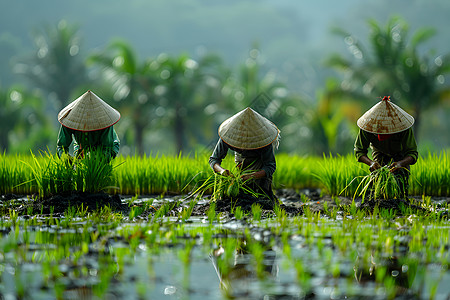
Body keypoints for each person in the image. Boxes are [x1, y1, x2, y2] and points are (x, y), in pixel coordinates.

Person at [209, 107, 280, 200]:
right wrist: (222, 171)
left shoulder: (263, 142)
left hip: (259, 171)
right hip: (241, 166)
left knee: (261, 199)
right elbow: (214, 160)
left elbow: (270, 167)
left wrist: (251, 176)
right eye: (239, 141)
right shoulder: (228, 136)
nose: (243, 146)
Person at [354, 96, 418, 198]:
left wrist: (400, 163)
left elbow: (412, 154)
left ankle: (402, 200)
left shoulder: (403, 127)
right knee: (378, 184)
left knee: (401, 184)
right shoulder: (367, 127)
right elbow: (359, 151)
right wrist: (371, 163)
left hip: (399, 156)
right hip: (379, 154)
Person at [56, 90, 120, 160]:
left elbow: (107, 149)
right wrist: (66, 159)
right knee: (79, 163)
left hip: (107, 147)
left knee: (99, 164)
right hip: (81, 145)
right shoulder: (70, 120)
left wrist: (94, 161)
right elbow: (61, 146)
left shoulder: (105, 122)